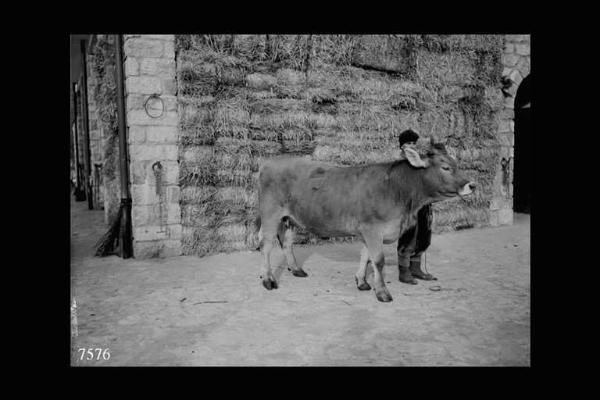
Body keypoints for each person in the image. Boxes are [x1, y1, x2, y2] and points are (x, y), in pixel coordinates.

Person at [396, 129, 437, 284]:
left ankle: (416, 268)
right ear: (401, 146)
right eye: (408, 143)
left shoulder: (420, 160)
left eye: (414, 143)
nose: (411, 146)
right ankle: (404, 270)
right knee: (408, 237)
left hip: (423, 203)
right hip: (407, 205)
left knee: (423, 236)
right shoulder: (399, 163)